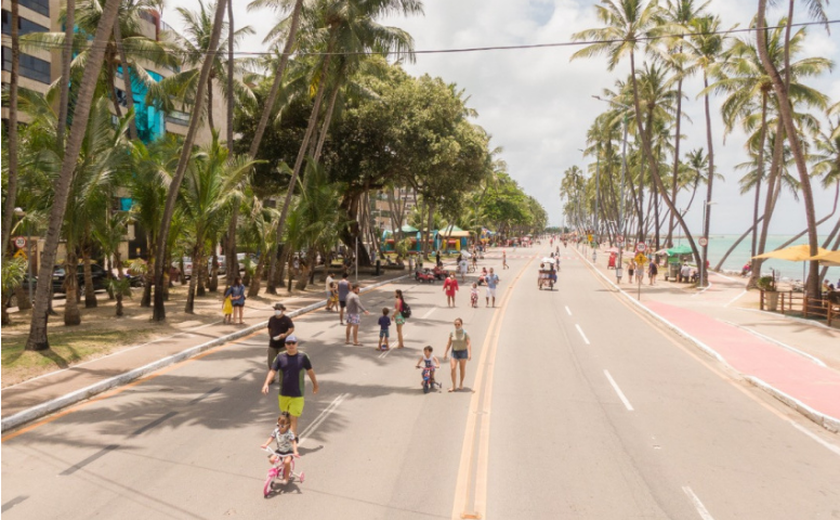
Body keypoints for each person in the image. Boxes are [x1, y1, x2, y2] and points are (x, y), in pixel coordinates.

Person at [261, 335, 318, 437]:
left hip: (297, 394)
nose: (291, 345)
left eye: (293, 343)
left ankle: (293, 438)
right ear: (285, 345)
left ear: (296, 344)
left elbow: (310, 371)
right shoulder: (280, 357)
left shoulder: (303, 357)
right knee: (285, 417)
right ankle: (288, 436)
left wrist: (315, 384)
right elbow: (273, 371)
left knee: (293, 417)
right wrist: (266, 384)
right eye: (288, 343)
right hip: (283, 393)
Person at [260, 412, 299, 486]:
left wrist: (295, 451)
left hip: (288, 452)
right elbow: (271, 438)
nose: (280, 427)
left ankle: (286, 477)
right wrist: (265, 444)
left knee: (287, 462)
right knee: (271, 459)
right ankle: (279, 468)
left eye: (282, 426)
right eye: (278, 425)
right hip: (279, 451)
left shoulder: (289, 433)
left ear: (287, 426)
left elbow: (294, 442)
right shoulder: (276, 431)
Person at [443, 318, 472, 392]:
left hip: (463, 352)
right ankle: (453, 385)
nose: (457, 326)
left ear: (461, 324)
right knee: (453, 368)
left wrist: (469, 353)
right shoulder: (452, 333)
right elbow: (449, 343)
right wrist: (445, 352)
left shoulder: (465, 333)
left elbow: (468, 343)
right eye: (455, 324)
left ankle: (461, 383)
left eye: (458, 324)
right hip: (454, 352)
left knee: (462, 369)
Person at [267, 303, 295, 374]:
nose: (277, 311)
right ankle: (271, 378)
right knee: (271, 363)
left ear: (282, 310)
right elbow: (269, 328)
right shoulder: (272, 319)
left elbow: (291, 328)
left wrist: (285, 334)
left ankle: (284, 377)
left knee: (283, 362)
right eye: (276, 309)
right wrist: (271, 336)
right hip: (272, 344)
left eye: (278, 309)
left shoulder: (286, 319)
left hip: (282, 345)